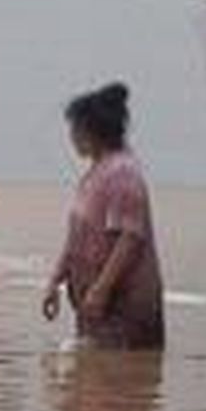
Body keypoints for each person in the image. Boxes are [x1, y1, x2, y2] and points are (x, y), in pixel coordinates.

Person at [42, 83, 164, 349]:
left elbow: (129, 239)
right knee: (91, 381)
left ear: (92, 132)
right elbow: (76, 238)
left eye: (74, 130)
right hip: (95, 305)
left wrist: (101, 289)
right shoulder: (95, 173)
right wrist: (55, 281)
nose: (71, 137)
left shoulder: (123, 173)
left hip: (122, 304)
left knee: (120, 380)